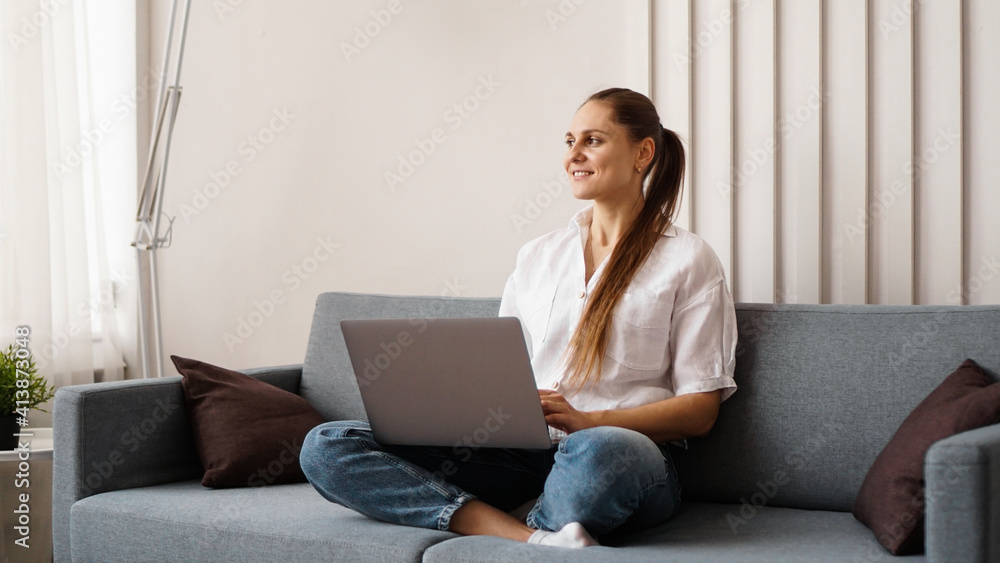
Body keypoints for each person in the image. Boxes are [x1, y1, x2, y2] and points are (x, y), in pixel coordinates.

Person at [299, 87, 737, 548]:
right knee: (328, 445)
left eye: (593, 140)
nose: (575, 155)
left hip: (619, 456)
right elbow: (499, 370)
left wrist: (590, 421)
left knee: (605, 451)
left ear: (643, 153)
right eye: (569, 141)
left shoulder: (689, 260)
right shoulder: (537, 256)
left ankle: (519, 516)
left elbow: (700, 410)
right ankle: (531, 535)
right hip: (523, 453)